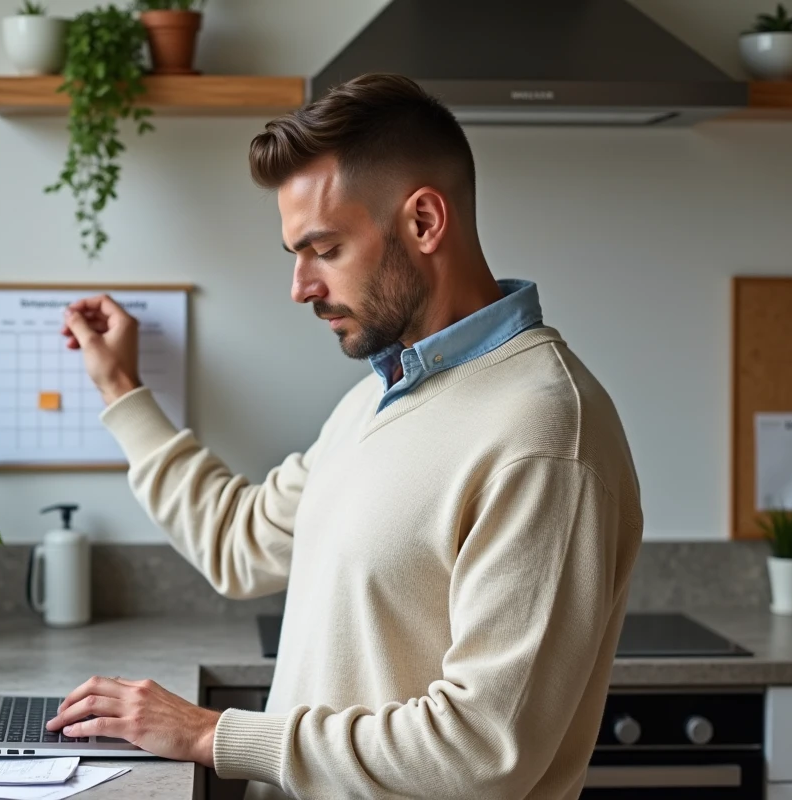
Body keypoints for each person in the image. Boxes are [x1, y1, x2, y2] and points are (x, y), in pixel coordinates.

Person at [46, 73, 643, 800]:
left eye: (324, 249)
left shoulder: (546, 433)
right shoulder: (376, 404)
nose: (300, 286)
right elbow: (238, 541)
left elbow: (482, 751)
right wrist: (119, 388)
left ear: (424, 222)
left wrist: (209, 735)